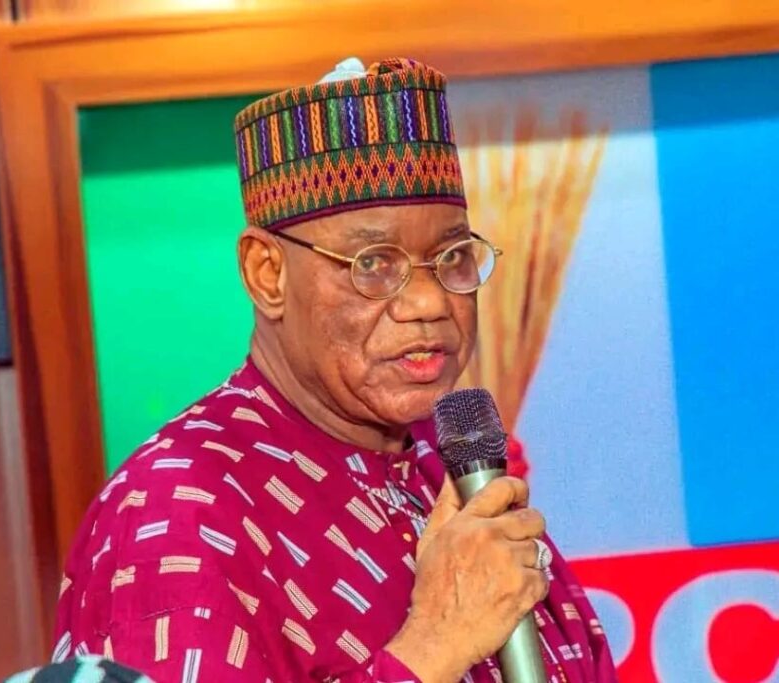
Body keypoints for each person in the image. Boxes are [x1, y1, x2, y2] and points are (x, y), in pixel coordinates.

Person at [54, 57, 617, 683]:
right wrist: (435, 644)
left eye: (453, 256)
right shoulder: (177, 511)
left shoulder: (448, 464)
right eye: (373, 263)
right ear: (268, 274)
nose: (429, 303)